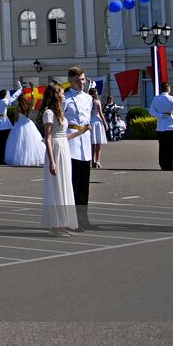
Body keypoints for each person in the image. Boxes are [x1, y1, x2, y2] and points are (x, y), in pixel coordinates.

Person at [40, 83, 80, 236]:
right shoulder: (49, 113)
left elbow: (63, 136)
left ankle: (62, 224)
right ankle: (55, 226)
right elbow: (48, 137)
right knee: (56, 186)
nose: (64, 96)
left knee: (64, 184)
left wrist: (81, 132)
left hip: (63, 148)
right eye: (62, 93)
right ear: (56, 95)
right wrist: (52, 160)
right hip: (55, 150)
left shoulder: (60, 113)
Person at [63, 67, 99, 231]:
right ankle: (71, 220)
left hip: (84, 141)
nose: (81, 83)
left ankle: (83, 218)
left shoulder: (87, 98)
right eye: (78, 81)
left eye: (83, 80)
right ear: (71, 81)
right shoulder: (65, 98)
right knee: (73, 184)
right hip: (71, 140)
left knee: (84, 185)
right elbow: (59, 119)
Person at [5, 87, 47, 167]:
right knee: (32, 141)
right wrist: (32, 90)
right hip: (28, 123)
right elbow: (32, 100)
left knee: (18, 143)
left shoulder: (18, 108)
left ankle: (21, 158)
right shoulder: (28, 107)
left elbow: (15, 118)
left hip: (19, 124)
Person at [151, 82, 173, 171]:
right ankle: (169, 164)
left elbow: (151, 111)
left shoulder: (156, 99)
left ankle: (162, 164)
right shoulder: (172, 98)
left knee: (162, 146)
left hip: (161, 125)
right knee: (170, 146)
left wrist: (160, 115)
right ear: (168, 88)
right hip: (170, 124)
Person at [0, 84, 22, 166]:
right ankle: (4, 158)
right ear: (5, 95)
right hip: (5, 124)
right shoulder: (5, 101)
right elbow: (13, 97)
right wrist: (20, 89)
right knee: (5, 142)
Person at [90, 89, 111, 169]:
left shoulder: (88, 102)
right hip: (97, 122)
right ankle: (98, 161)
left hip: (91, 121)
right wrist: (105, 123)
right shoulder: (97, 102)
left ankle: (92, 160)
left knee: (92, 144)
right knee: (98, 144)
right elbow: (101, 114)